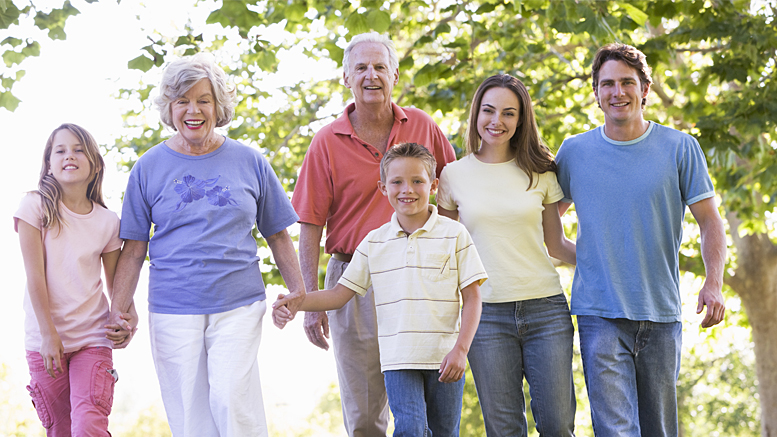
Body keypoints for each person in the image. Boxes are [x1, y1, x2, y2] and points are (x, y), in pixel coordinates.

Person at [107, 53, 306, 437]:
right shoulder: (148, 168)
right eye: (182, 100)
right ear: (169, 107)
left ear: (219, 106)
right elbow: (132, 250)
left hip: (239, 302)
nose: (193, 110)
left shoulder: (250, 161)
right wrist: (118, 312)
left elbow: (278, 233)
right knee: (190, 418)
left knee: (233, 401)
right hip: (172, 307)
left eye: (203, 100)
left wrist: (299, 292)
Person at [555, 43, 726, 436]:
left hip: (661, 314)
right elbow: (547, 225)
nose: (618, 92)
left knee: (659, 430)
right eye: (608, 84)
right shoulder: (574, 152)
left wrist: (713, 283)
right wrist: (590, 260)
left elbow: (710, 222)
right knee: (616, 430)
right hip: (599, 314)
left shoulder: (681, 147)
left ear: (645, 88)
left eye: (627, 82)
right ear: (596, 93)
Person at [291, 31, 456, 436]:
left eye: (379, 66)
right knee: (365, 417)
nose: (371, 75)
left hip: (424, 281)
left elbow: (453, 194)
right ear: (346, 78)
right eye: (361, 67)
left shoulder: (421, 125)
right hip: (355, 281)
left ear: (395, 74)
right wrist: (311, 301)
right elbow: (309, 224)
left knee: (429, 413)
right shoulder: (326, 141)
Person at [276, 142, 486, 437]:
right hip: (398, 359)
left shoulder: (455, 235)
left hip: (445, 358)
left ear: (434, 185)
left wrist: (461, 350)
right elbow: (339, 295)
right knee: (410, 428)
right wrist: (295, 301)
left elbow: (473, 297)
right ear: (383, 188)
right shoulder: (374, 242)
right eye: (397, 182)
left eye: (417, 181)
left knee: (444, 432)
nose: (407, 189)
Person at [437, 74, 577, 436]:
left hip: (545, 309)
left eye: (508, 113)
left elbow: (557, 246)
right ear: (476, 114)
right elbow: (445, 255)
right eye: (488, 110)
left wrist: (612, 262)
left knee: (558, 426)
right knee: (503, 429)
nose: (496, 121)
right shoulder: (452, 175)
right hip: (486, 316)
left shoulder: (540, 172)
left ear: (520, 120)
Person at [15, 123, 136, 436]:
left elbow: (116, 283)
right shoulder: (34, 207)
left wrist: (126, 317)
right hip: (45, 339)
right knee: (60, 428)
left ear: (94, 164)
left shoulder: (108, 222)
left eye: (79, 149)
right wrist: (48, 334)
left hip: (92, 339)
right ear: (49, 165)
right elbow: (35, 277)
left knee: (88, 425)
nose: (70, 155)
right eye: (61, 150)